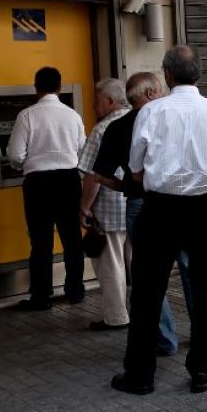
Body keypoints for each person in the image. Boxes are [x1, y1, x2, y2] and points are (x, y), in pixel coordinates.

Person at [111, 45, 207, 395]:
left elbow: (135, 168)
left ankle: (139, 374)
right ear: (199, 73)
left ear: (167, 74)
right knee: (205, 289)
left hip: (159, 208)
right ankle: (201, 368)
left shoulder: (151, 112)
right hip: (206, 208)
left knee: (148, 291)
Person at [93, 72, 195, 354]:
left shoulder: (116, 127)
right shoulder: (177, 119)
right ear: (151, 93)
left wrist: (127, 184)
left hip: (141, 204)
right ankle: (203, 334)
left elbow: (100, 175)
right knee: (190, 268)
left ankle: (164, 339)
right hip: (184, 202)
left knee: (149, 275)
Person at [7, 66, 86, 310]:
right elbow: (82, 150)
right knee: (72, 238)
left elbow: (15, 155)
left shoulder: (27, 115)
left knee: (41, 241)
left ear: (36, 87)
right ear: (60, 87)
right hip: (69, 180)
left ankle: (41, 297)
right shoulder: (73, 115)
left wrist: (23, 163)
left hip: (38, 184)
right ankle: (74, 291)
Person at [78, 78, 131, 331]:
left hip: (109, 210)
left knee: (111, 265)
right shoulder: (141, 121)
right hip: (138, 205)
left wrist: (85, 207)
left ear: (110, 102)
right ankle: (148, 314)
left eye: (97, 101)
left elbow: (92, 175)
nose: (92, 106)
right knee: (140, 266)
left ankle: (117, 317)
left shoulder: (102, 130)